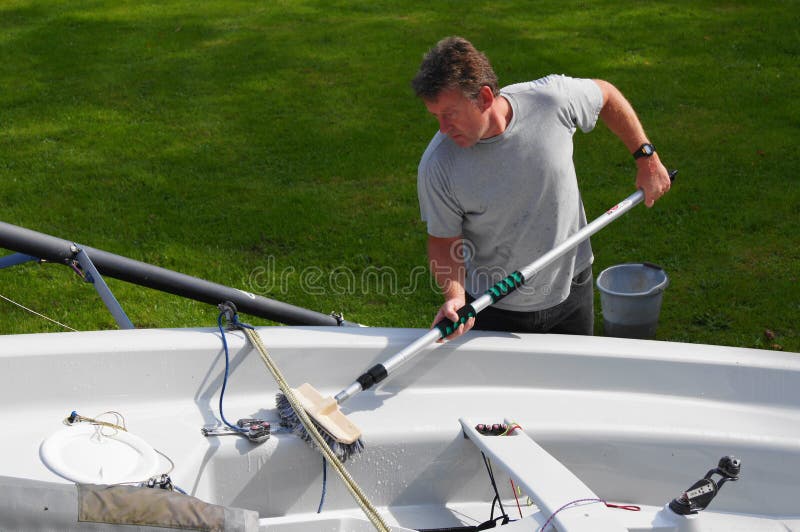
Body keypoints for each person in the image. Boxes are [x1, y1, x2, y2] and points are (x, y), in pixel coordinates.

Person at [412, 36, 671, 340]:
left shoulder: (550, 102)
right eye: (435, 117)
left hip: (572, 288)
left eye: (449, 114)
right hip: (495, 305)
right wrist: (455, 297)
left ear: (483, 98)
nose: (442, 128)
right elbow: (444, 243)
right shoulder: (439, 165)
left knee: (572, 382)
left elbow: (606, 95)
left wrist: (646, 158)